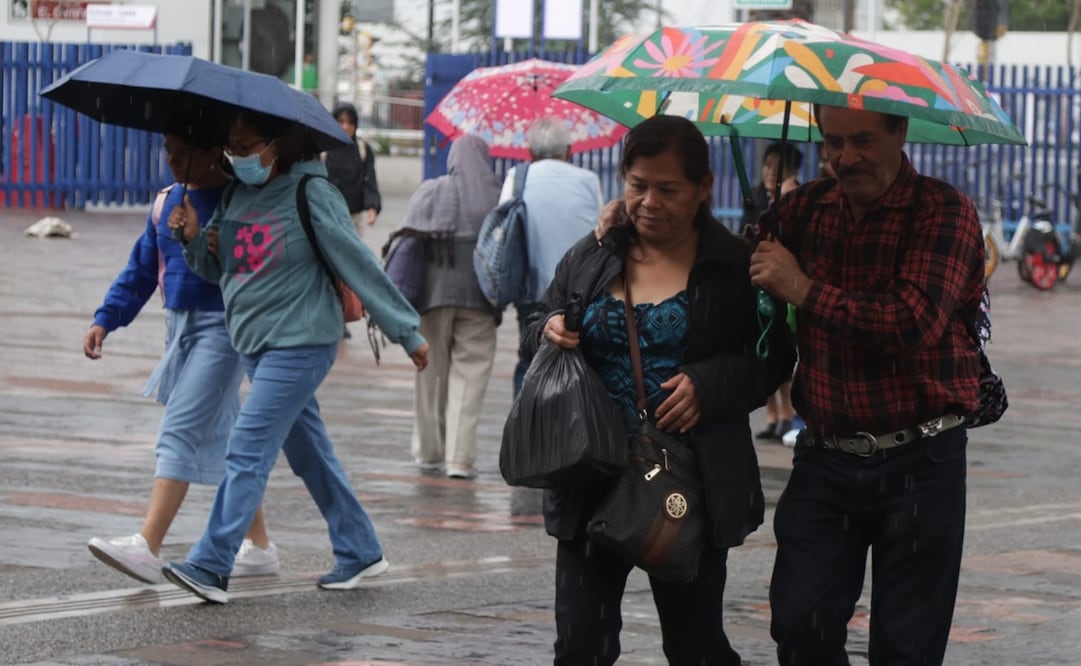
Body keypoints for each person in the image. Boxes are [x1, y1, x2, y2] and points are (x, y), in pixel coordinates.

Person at [524, 115, 797, 664]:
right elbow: (538, 317)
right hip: (590, 475)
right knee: (580, 644)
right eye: (638, 185)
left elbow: (773, 358)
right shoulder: (595, 253)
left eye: (668, 189)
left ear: (703, 188)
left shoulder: (733, 266)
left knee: (694, 645)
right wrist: (548, 329)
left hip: (686, 483)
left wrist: (709, 383)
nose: (650, 202)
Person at [749, 104, 984, 665]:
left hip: (922, 457)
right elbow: (734, 269)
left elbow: (912, 321)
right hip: (827, 458)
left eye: (862, 141)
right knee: (799, 623)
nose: (844, 157)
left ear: (899, 133)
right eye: (832, 142)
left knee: (907, 645)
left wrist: (803, 290)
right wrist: (628, 229)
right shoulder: (801, 210)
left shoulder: (943, 210)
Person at [164, 109, 429, 603]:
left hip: (302, 342)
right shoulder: (237, 195)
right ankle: (360, 548)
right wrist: (191, 238)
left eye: (247, 146)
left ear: (277, 145)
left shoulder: (312, 194)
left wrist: (406, 331)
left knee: (246, 447)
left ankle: (210, 562)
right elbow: (215, 269)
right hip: (255, 345)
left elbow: (358, 262)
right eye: (232, 147)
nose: (238, 156)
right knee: (311, 456)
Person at [83, 128, 278, 585]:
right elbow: (140, 272)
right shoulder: (165, 201)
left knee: (180, 428)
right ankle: (261, 547)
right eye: (169, 152)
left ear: (215, 152)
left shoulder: (241, 201)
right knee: (231, 441)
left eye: (185, 154)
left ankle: (148, 544)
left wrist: (202, 236)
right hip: (179, 330)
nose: (174, 162)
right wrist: (105, 319)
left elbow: (255, 267)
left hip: (226, 331)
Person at [398, 134, 502, 479]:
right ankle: (459, 458)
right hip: (480, 302)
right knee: (469, 379)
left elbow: (407, 235)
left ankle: (428, 452)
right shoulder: (496, 195)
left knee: (429, 375)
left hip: (432, 300)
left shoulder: (432, 191)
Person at [498, 116, 602, 396]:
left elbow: (504, 233)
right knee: (578, 364)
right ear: (569, 151)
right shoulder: (589, 181)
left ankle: (526, 429)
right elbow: (600, 233)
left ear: (529, 153)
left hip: (531, 290)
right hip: (580, 291)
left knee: (530, 360)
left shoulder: (516, 178)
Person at [740, 141, 803, 441]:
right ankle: (773, 416)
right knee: (759, 346)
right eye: (767, 165)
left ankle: (788, 415)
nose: (769, 172)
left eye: (778, 167)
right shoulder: (756, 197)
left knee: (782, 348)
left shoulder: (799, 198)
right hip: (757, 283)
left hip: (785, 286)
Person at [325, 102, 381, 235]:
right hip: (327, 214)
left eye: (350, 122)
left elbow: (369, 179)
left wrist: (372, 207)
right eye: (341, 121)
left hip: (354, 216)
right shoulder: (324, 148)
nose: (345, 127)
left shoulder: (363, 149)